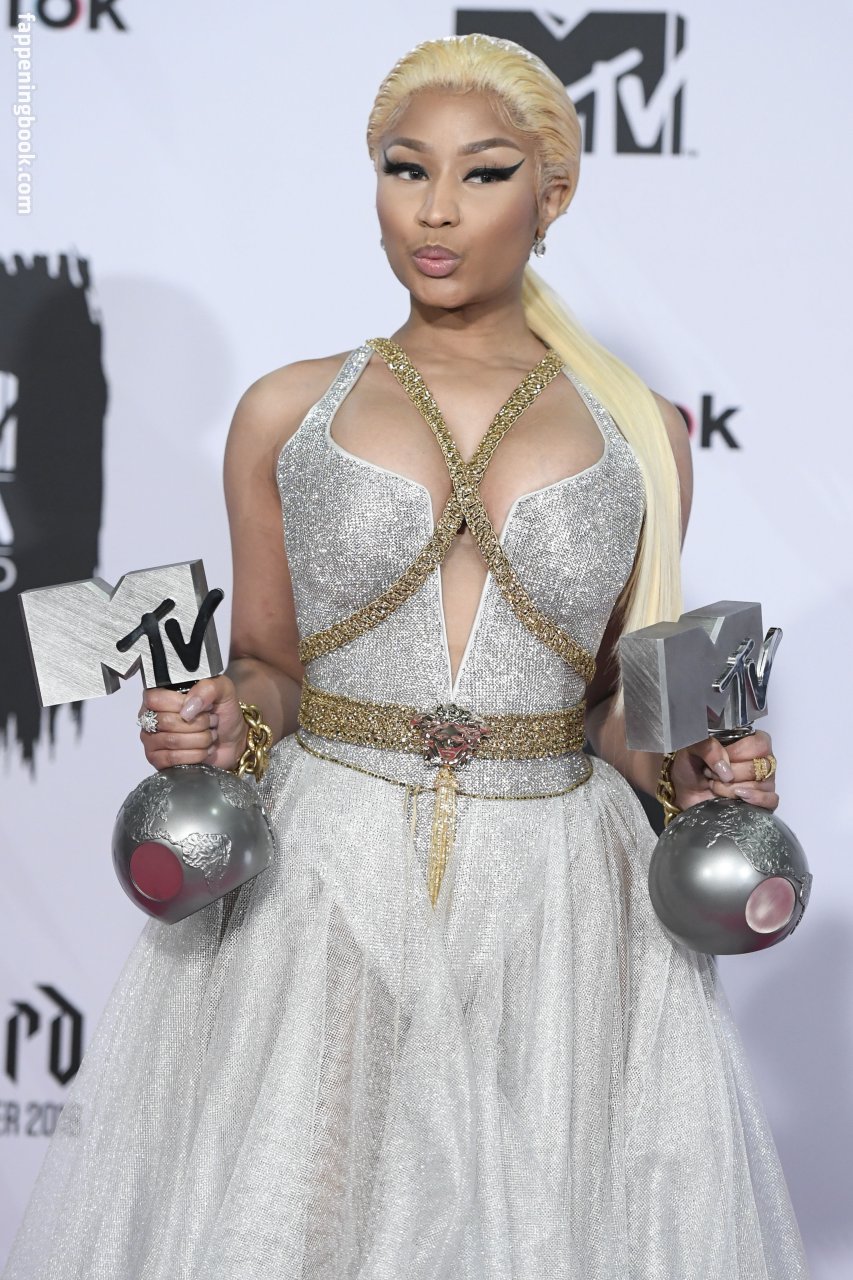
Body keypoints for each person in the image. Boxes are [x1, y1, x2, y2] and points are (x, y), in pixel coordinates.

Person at [3, 33, 808, 1280]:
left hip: (555, 896)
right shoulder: (287, 409)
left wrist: (687, 769)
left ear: (552, 194)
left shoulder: (642, 429)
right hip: (323, 878)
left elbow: (611, 701)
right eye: (403, 167)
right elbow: (268, 661)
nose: (434, 209)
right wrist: (220, 718)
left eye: (483, 173)